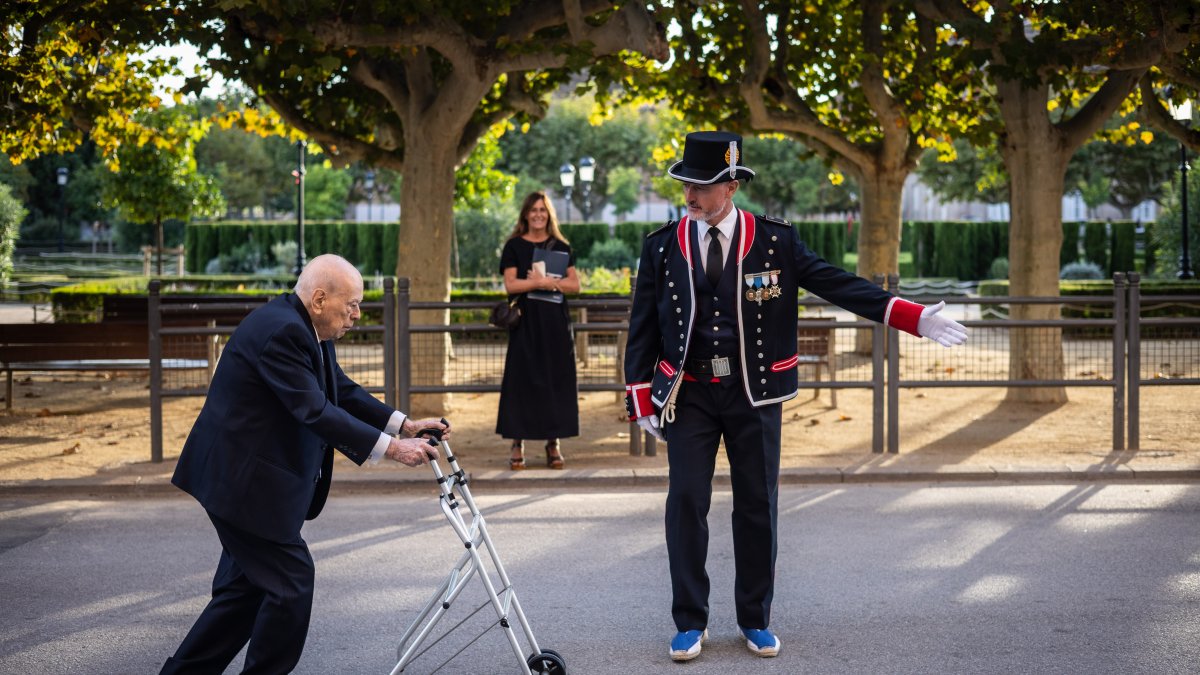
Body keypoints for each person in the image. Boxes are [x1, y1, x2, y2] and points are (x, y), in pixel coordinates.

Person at [623, 131, 967, 663]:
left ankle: (755, 619)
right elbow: (642, 325)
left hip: (754, 394)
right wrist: (642, 395)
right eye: (686, 183)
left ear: (731, 185)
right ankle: (690, 622)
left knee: (757, 506)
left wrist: (913, 316)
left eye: (702, 185)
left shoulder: (775, 240)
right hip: (688, 395)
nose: (689, 194)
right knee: (685, 503)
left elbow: (837, 284)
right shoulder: (663, 244)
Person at [162, 254, 451, 674]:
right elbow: (315, 410)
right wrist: (392, 449)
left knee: (244, 593)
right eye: (351, 304)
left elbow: (340, 391)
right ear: (319, 298)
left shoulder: (305, 326)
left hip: (243, 477)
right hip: (242, 484)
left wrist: (404, 424)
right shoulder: (283, 332)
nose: (357, 314)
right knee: (290, 582)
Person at [496, 190, 582, 470]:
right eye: (533, 210)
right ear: (525, 214)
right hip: (526, 325)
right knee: (521, 381)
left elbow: (575, 285)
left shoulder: (561, 246)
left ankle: (553, 442)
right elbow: (511, 285)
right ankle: (516, 443)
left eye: (542, 210)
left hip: (555, 324)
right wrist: (537, 283)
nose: (538, 214)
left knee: (555, 381)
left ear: (549, 214)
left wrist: (546, 282)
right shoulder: (514, 246)